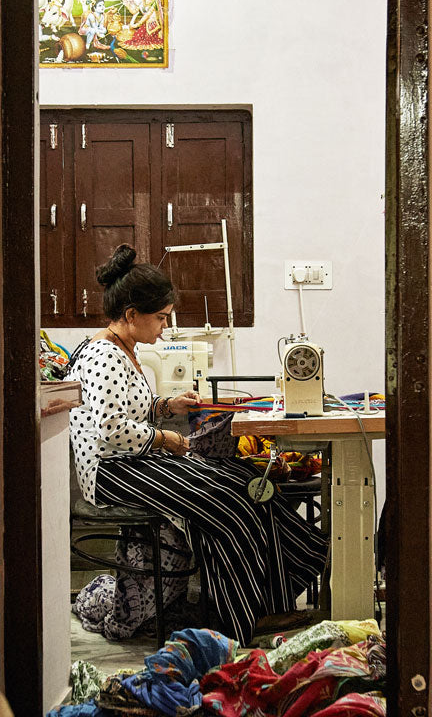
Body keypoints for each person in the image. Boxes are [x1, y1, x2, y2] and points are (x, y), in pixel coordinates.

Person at [67, 244, 328, 645]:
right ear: (132, 315)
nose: (164, 327)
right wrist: (164, 438)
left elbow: (128, 410)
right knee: (226, 502)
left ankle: (272, 602)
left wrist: (166, 405)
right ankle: (235, 621)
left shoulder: (125, 350)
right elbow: (108, 429)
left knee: (241, 477)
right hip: (112, 472)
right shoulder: (103, 356)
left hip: (134, 459)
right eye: (160, 318)